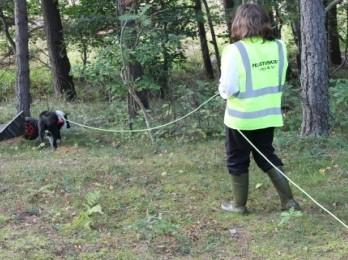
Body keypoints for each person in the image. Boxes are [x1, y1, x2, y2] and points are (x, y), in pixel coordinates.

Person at [219, 3, 301, 214]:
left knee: (237, 159)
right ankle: (289, 202)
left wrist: (222, 91)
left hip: (241, 119)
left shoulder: (234, 50)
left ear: (239, 23)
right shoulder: (279, 47)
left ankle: (238, 205)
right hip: (268, 115)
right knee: (266, 154)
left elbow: (228, 89)